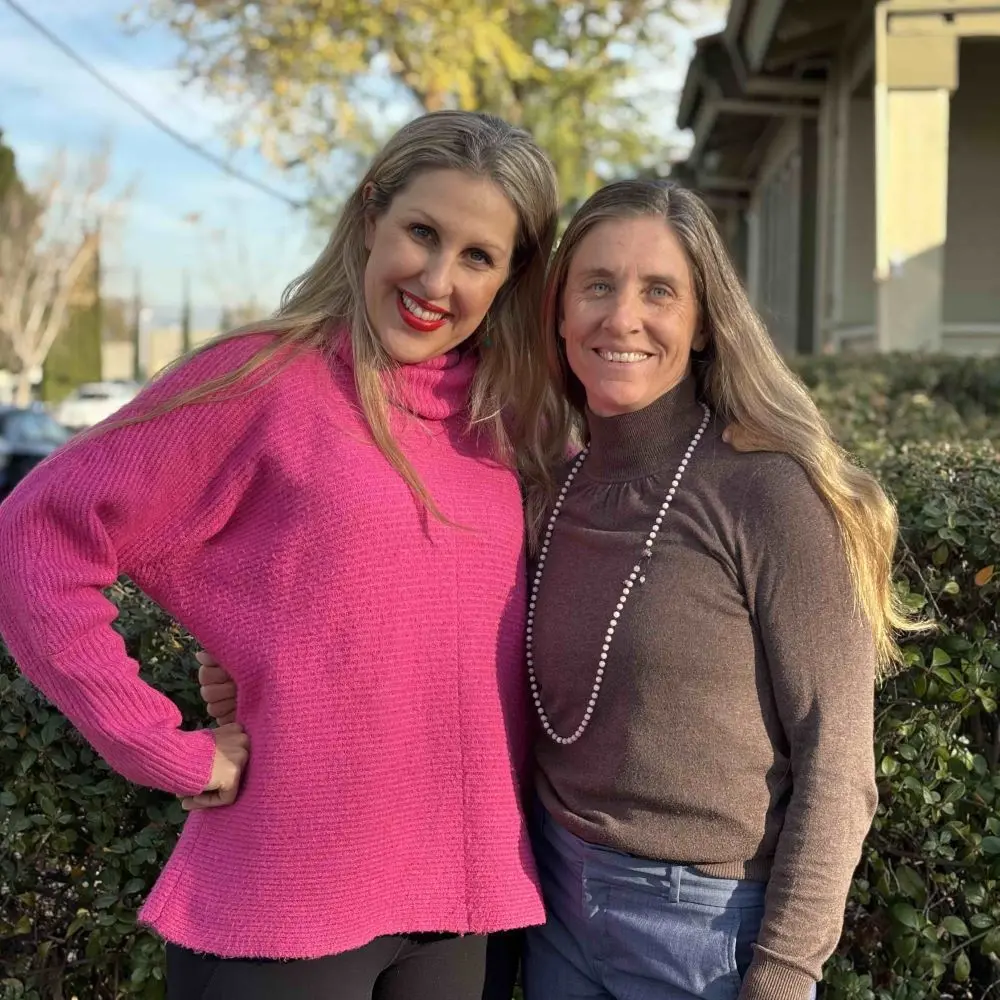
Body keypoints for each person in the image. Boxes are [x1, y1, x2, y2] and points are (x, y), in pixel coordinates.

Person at [0, 110, 569, 1000]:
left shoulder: (511, 425)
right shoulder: (264, 376)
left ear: (511, 277)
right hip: (284, 906)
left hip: (466, 909)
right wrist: (162, 746)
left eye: (476, 256)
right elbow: (35, 537)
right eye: (422, 232)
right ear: (370, 214)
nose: (434, 277)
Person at [515, 179, 914, 1000]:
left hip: (702, 932)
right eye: (597, 284)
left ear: (702, 325)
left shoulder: (766, 493)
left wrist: (781, 976)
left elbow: (838, 765)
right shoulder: (549, 487)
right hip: (553, 903)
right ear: (558, 312)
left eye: (659, 291)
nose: (622, 317)